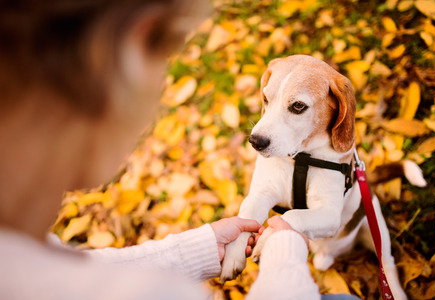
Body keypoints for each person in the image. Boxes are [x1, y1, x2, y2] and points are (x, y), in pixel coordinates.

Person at [0, 1, 359, 299]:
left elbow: (75, 266)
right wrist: (285, 250)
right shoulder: (152, 292)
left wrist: (196, 249)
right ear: (137, 43)